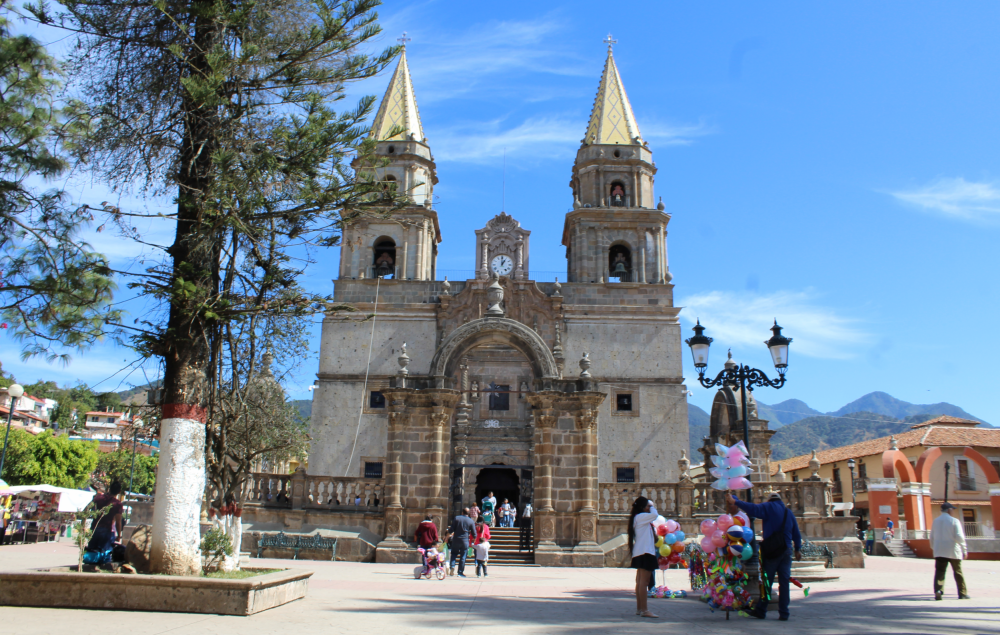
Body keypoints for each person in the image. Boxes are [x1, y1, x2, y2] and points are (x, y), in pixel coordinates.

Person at [729, 492, 802, 621]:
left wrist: (736, 502)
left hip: (772, 550)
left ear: (769, 500)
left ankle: (762, 610)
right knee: (784, 582)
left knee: (766, 582)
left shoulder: (769, 507)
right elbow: (796, 532)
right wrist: (798, 549)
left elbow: (753, 509)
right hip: (786, 551)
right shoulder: (788, 512)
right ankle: (784, 612)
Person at [628, 496, 659, 619]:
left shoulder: (638, 518)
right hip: (646, 552)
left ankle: (640, 608)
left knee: (640, 581)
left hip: (641, 552)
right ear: (642, 507)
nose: (649, 508)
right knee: (644, 582)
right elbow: (655, 514)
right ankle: (644, 610)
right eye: (647, 506)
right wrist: (652, 505)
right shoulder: (641, 517)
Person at [931, 502, 969, 600]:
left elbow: (931, 537)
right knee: (957, 571)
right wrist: (964, 549)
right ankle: (962, 593)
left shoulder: (936, 521)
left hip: (939, 550)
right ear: (949, 510)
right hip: (953, 550)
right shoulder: (954, 521)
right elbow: (959, 536)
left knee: (940, 572)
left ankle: (938, 590)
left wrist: (934, 548)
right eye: (952, 509)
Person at [86, 481, 125, 555]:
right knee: (104, 554)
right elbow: (118, 522)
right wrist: (119, 535)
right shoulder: (117, 504)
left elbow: (87, 509)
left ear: (109, 489)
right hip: (107, 530)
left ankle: (89, 565)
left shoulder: (98, 498)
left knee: (91, 552)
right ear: (119, 491)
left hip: (94, 528)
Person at [448, 507, 476, 578]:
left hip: (456, 539)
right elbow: (474, 533)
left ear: (462, 512)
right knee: (463, 556)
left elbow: (451, 529)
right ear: (468, 513)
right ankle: (460, 572)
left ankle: (452, 566)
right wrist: (473, 541)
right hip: (465, 540)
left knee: (454, 553)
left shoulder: (457, 518)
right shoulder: (470, 521)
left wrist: (447, 536)